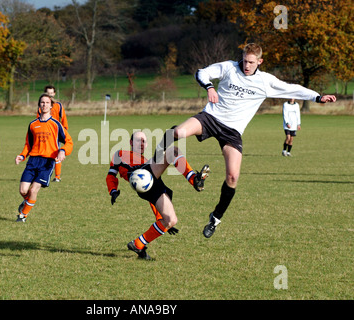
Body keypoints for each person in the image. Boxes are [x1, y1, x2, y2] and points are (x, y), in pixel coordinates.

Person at [153, 43, 337, 239]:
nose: (246, 65)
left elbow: (292, 88)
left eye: (251, 62)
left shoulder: (265, 81)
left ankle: (215, 218)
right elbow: (202, 72)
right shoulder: (229, 67)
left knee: (233, 176)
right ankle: (154, 160)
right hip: (211, 118)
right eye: (244, 60)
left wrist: (317, 97)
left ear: (260, 61)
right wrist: (209, 87)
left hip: (232, 132)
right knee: (179, 132)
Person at [106, 131, 210, 260]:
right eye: (139, 140)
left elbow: (152, 198)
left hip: (149, 182)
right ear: (131, 143)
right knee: (173, 151)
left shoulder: (146, 160)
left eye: (144, 141)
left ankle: (138, 244)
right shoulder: (120, 154)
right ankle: (194, 179)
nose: (142, 143)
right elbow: (111, 175)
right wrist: (113, 190)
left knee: (171, 220)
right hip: (140, 174)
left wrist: (161, 221)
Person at [15, 93, 73, 222]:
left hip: (47, 162)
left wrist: (63, 151)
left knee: (34, 189)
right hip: (32, 161)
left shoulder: (56, 125)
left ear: (51, 106)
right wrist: (22, 155)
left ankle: (23, 215)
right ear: (39, 105)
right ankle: (27, 202)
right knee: (23, 190)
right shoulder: (32, 125)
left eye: (47, 102)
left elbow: (69, 142)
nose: (44, 105)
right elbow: (28, 144)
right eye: (42, 102)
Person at [37, 85, 69, 182]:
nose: (50, 95)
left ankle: (57, 176)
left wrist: (64, 131)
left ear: (54, 94)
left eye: (51, 93)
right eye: (48, 93)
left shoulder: (58, 105)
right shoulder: (42, 106)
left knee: (57, 153)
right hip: (44, 134)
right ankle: (42, 174)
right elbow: (38, 120)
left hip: (55, 134)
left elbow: (64, 119)